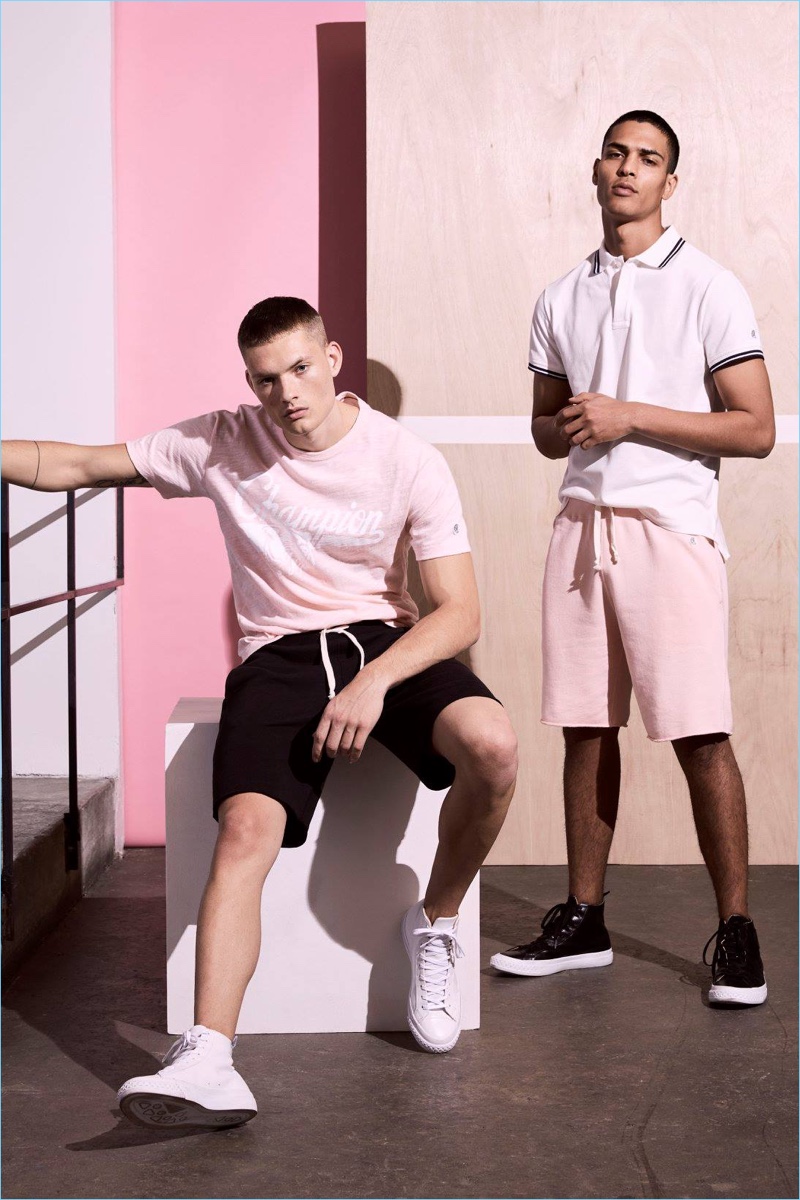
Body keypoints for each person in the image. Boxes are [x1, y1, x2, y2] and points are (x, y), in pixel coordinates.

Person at [2, 297, 518, 1127]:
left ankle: (436, 922)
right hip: (278, 656)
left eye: (302, 369)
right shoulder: (223, 441)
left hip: (384, 641)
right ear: (251, 382)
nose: (288, 394)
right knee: (243, 828)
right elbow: (78, 465)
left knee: (493, 747)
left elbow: (460, 612)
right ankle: (209, 1056)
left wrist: (375, 681)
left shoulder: (405, 457)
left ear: (334, 358)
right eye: (267, 379)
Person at [491, 111, 774, 1006]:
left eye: (649, 159)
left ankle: (736, 931)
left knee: (698, 730)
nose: (629, 168)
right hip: (581, 527)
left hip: (669, 527)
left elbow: (756, 428)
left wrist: (631, 415)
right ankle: (585, 917)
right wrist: (572, 423)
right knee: (585, 724)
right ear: (596, 168)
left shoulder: (709, 286)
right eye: (617, 152)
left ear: (670, 183)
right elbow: (545, 428)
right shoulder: (559, 295)